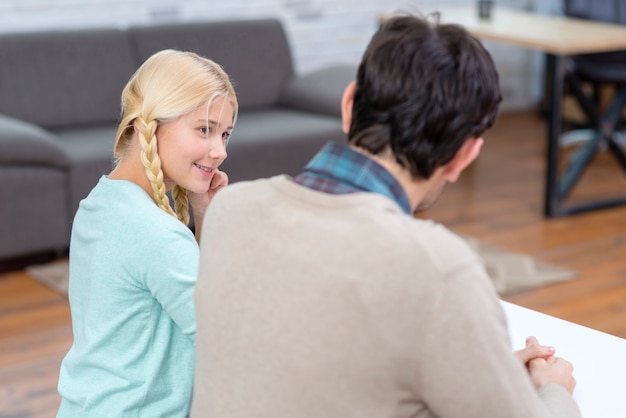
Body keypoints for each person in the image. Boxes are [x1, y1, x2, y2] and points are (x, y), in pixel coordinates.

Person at [190, 14, 582, 418]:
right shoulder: (436, 267)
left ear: (348, 104)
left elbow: (309, 370)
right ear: (465, 155)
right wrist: (553, 392)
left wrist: (480, 373)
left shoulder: (229, 210)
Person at [56, 49, 238, 417]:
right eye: (204, 129)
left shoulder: (98, 204)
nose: (219, 151)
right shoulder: (157, 234)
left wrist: (204, 215)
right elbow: (227, 341)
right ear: (149, 128)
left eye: (225, 134)